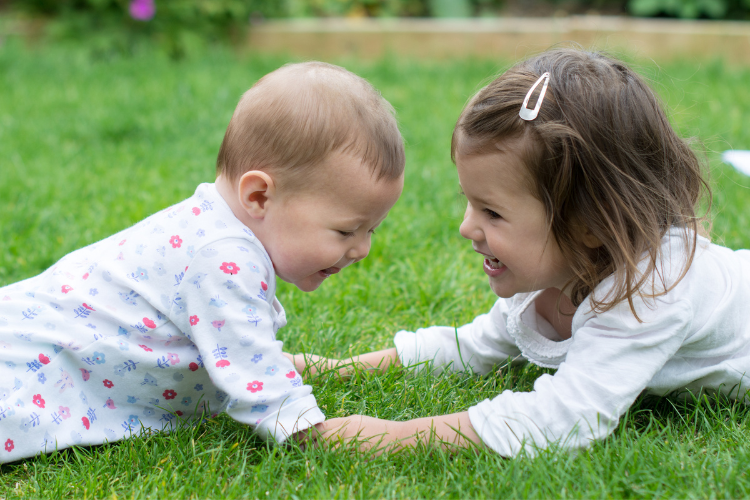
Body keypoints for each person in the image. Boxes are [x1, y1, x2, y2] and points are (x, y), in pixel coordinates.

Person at [289, 48, 750, 457]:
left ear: (586, 225)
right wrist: (337, 369)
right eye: (470, 203)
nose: (467, 227)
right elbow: (474, 347)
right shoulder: (554, 272)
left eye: (492, 212)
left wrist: (391, 436)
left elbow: (564, 419)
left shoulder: (650, 288)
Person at [0, 61, 405, 462]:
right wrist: (309, 430)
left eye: (371, 231)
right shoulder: (221, 257)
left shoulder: (218, 230)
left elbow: (235, 347)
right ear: (259, 196)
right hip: (34, 362)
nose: (362, 249)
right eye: (345, 231)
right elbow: (254, 373)